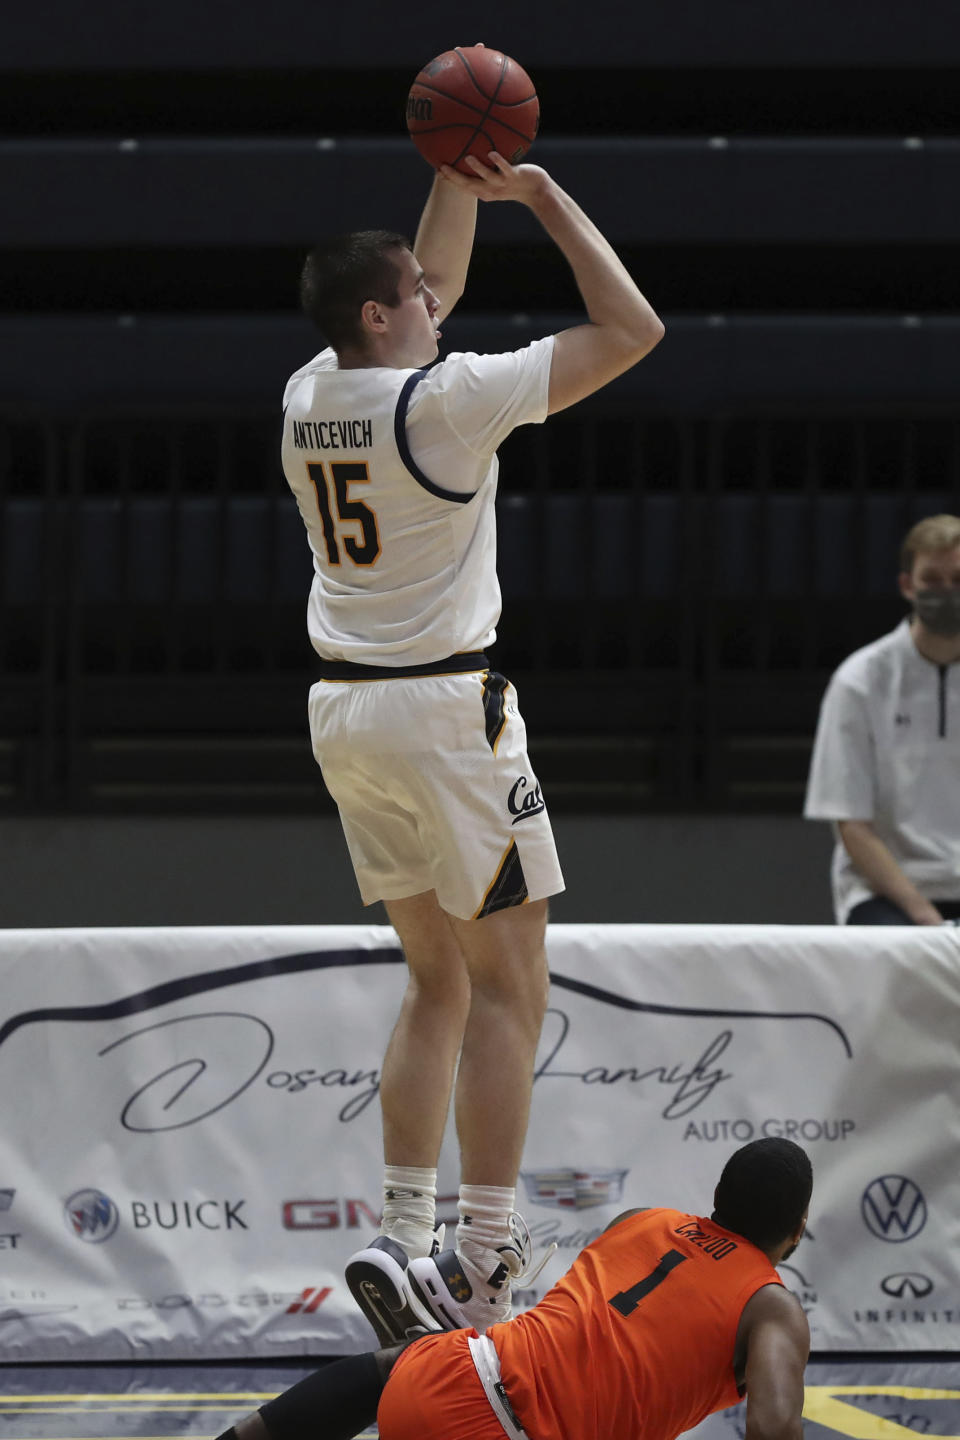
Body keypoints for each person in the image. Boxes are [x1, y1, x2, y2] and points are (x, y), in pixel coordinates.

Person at [279, 140, 664, 1343]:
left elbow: (421, 274)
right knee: (510, 985)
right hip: (449, 715)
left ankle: (402, 1234)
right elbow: (632, 328)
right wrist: (540, 195)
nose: (441, 304)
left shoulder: (309, 392)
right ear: (385, 313)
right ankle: (489, 1253)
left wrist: (452, 170)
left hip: (346, 710)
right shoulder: (447, 402)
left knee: (434, 981)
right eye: (422, 298)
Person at [214, 1137, 812, 1440]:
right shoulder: (771, 1305)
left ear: (718, 1197)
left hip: (437, 1378)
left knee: (410, 1361)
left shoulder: (640, 1220)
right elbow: (773, 1428)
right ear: (798, 1227)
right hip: (507, 1429)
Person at [805, 513, 960, 925]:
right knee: (897, 959)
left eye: (958, 579)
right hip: (886, 893)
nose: (947, 592)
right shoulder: (859, 681)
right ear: (908, 585)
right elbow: (852, 825)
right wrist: (927, 921)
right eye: (933, 579)